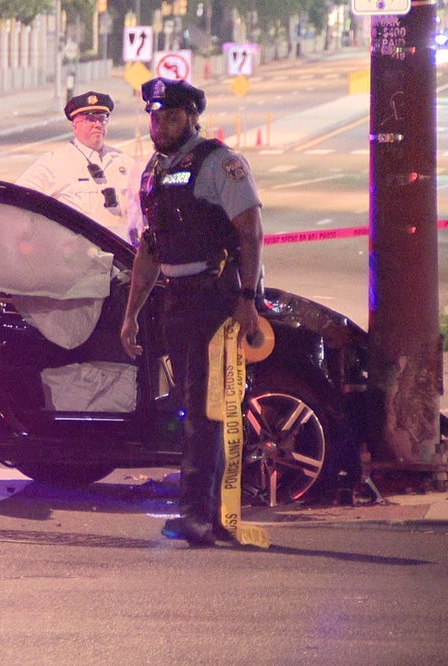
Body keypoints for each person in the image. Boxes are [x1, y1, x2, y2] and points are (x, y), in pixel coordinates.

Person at [118, 77, 264, 546]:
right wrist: (131, 314)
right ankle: (209, 513)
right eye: (155, 116)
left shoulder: (220, 163)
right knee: (192, 407)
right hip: (177, 299)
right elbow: (150, 248)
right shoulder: (155, 170)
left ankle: (198, 516)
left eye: (171, 115)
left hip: (215, 297)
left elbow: (251, 233)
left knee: (205, 411)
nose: (160, 124)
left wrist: (247, 300)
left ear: (193, 117)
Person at [16, 91, 135, 243]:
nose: (97, 124)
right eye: (90, 119)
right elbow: (19, 201)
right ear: (75, 126)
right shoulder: (54, 163)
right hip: (75, 257)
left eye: (102, 119)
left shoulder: (124, 162)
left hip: (120, 254)